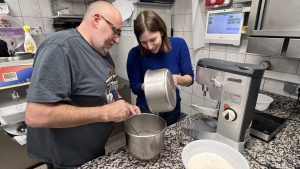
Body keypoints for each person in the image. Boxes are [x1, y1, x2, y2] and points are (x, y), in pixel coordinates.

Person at [25, 1, 140, 168]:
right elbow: (35, 115)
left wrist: (122, 103)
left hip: (93, 151)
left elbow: (110, 89)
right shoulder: (60, 48)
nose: (117, 39)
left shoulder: (102, 53)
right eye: (115, 31)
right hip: (68, 159)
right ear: (96, 19)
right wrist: (105, 113)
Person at [127, 10, 194, 126]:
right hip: (147, 109)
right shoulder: (134, 54)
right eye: (143, 42)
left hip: (172, 107)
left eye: (153, 39)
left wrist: (177, 79)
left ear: (162, 32)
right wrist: (152, 85)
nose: (149, 46)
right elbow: (134, 87)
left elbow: (190, 78)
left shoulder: (179, 45)